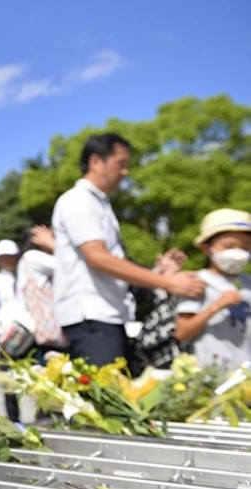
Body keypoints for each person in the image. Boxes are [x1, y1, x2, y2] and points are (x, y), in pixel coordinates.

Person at [51, 133, 205, 366]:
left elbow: (110, 263)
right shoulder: (78, 200)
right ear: (95, 162)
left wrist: (158, 272)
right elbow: (98, 258)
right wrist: (166, 282)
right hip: (91, 317)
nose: (125, 172)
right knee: (105, 398)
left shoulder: (100, 204)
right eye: (120, 164)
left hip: (107, 315)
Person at [175, 209, 251, 371]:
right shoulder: (196, 283)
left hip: (246, 378)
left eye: (245, 247)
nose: (238, 253)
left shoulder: (248, 283)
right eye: (228, 246)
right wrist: (216, 306)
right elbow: (182, 333)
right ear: (207, 248)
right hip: (210, 378)